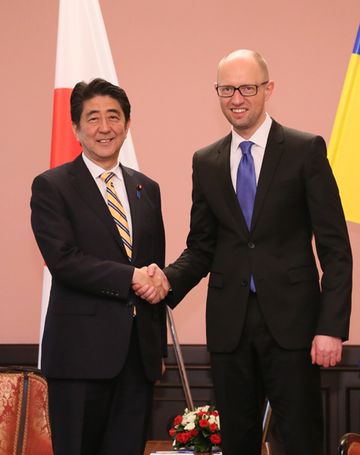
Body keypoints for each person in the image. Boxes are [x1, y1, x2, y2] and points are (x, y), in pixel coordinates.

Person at [134, 50, 352, 454]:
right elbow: (202, 246)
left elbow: (335, 247)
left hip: (295, 327)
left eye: (247, 88)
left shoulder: (305, 150)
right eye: (227, 89)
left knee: (302, 438)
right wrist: (167, 278)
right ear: (217, 93)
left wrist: (331, 326)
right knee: (237, 442)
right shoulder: (207, 161)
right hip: (229, 326)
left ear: (268, 89)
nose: (237, 98)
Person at [31, 78, 168, 455]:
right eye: (93, 118)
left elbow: (154, 265)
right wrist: (132, 278)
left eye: (114, 116)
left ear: (126, 124)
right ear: (75, 128)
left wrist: (159, 351)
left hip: (138, 360)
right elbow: (64, 261)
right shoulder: (52, 186)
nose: (104, 127)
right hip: (79, 358)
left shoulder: (147, 188)